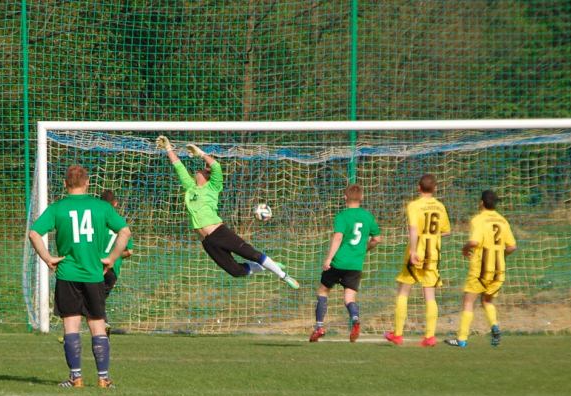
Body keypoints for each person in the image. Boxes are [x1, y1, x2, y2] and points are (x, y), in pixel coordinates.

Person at [28, 165, 131, 389]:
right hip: (94, 274)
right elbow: (125, 231)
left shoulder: (58, 208)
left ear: (65, 184)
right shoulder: (101, 207)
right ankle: (103, 378)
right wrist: (112, 258)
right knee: (97, 325)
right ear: (87, 183)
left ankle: (76, 377)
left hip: (67, 274)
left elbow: (34, 233)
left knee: (71, 325)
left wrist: (47, 258)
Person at [156, 135, 299, 289]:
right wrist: (168, 148)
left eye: (203, 169)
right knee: (236, 271)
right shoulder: (190, 188)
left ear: (207, 176)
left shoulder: (212, 187)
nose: (198, 170)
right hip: (207, 241)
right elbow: (178, 166)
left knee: (252, 254)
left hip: (219, 232)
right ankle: (266, 265)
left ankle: (284, 276)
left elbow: (216, 166)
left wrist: (201, 153)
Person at [309, 184, 382, 343]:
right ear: (361, 198)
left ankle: (319, 327)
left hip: (338, 262)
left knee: (323, 291)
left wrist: (329, 258)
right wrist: (365, 248)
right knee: (349, 298)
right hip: (355, 264)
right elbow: (377, 239)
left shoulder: (342, 216)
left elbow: (338, 237)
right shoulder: (367, 216)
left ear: (344, 198)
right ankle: (355, 319)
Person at [385, 174, 451, 347]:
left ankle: (398, 334)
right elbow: (446, 231)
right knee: (429, 295)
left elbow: (413, 229)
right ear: (435, 188)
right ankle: (430, 336)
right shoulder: (440, 206)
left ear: (418, 188)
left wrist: (413, 250)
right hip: (433, 255)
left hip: (417, 254)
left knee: (403, 291)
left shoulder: (414, 205)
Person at [445, 190, 517, 348]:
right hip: (499, 270)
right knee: (487, 300)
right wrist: (501, 255)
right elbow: (512, 246)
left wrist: (464, 249)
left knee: (468, 301)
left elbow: (474, 242)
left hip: (481, 268)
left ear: (481, 203)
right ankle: (495, 326)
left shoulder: (478, 220)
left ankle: (462, 339)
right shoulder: (503, 221)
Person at [100, 190, 134, 336]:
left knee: (90, 299)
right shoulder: (120, 224)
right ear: (115, 204)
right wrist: (115, 257)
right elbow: (129, 251)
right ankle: (102, 325)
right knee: (97, 298)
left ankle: (71, 330)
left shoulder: (96, 222)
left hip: (95, 265)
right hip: (112, 269)